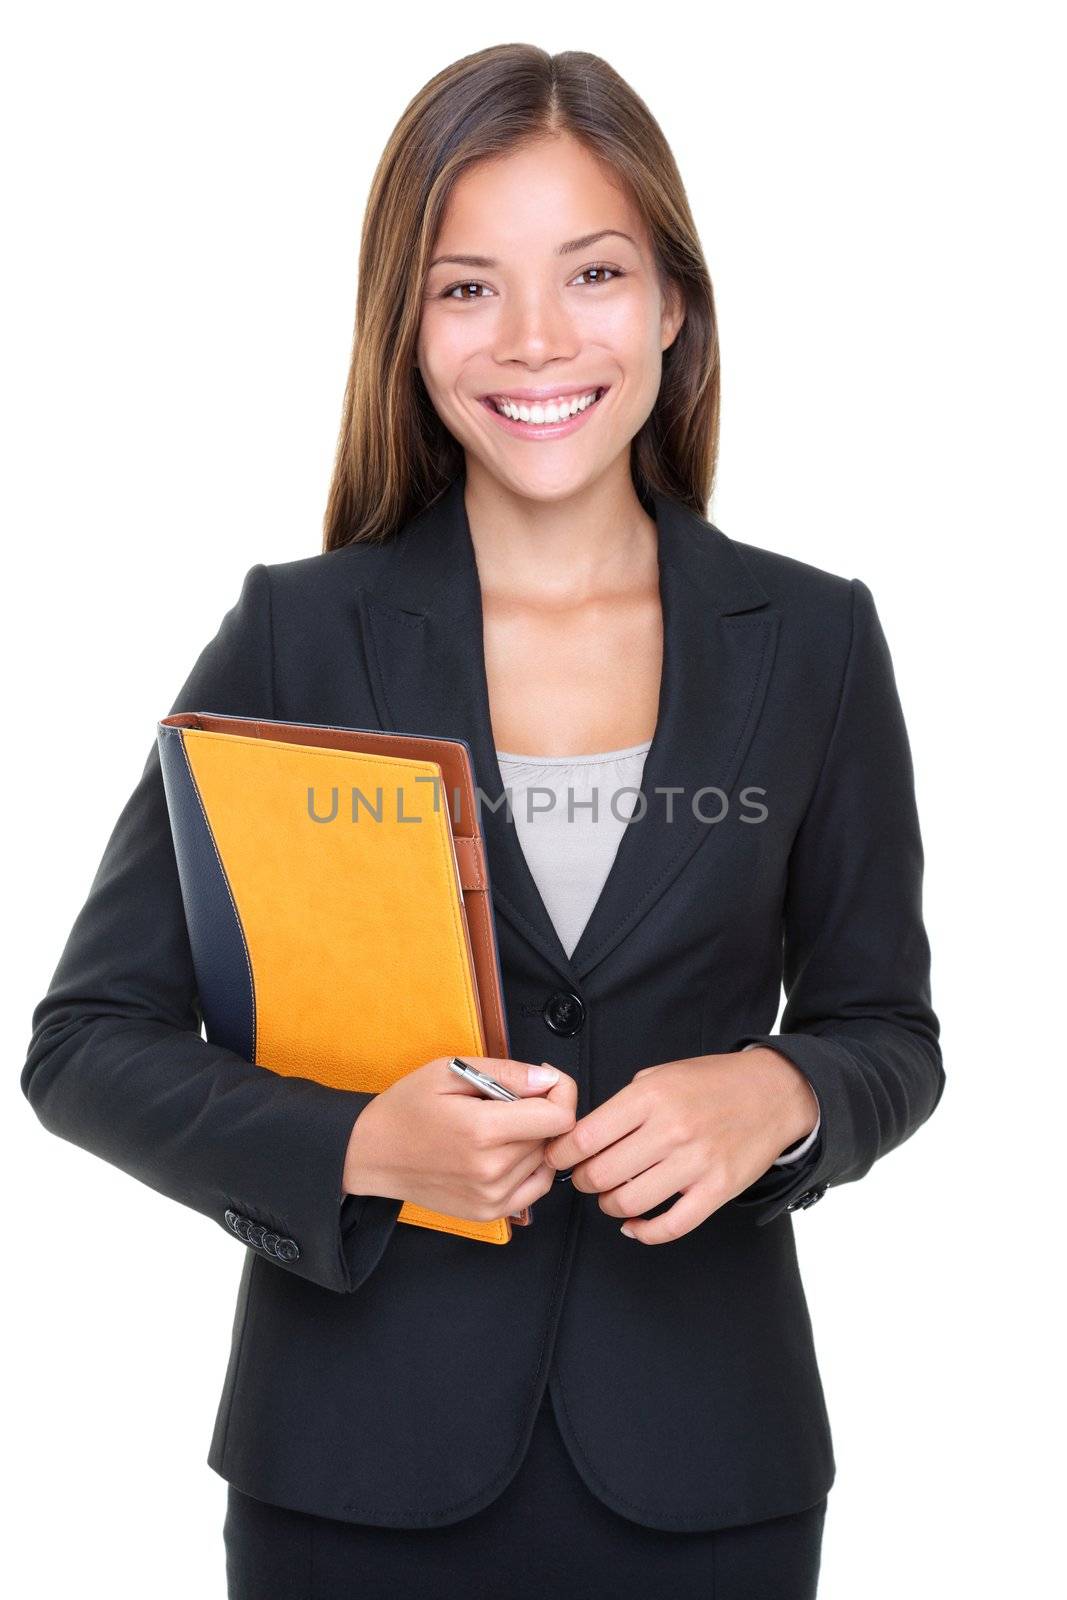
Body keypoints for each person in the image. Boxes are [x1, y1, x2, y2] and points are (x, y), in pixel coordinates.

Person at [21, 43, 945, 1600]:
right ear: (409, 328)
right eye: (467, 289)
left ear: (672, 306)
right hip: (352, 1471)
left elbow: (888, 1031)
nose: (534, 339)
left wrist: (777, 1091)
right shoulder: (299, 636)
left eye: (592, 272)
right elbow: (86, 1041)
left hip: (712, 1472)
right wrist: (364, 1146)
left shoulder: (815, 640)